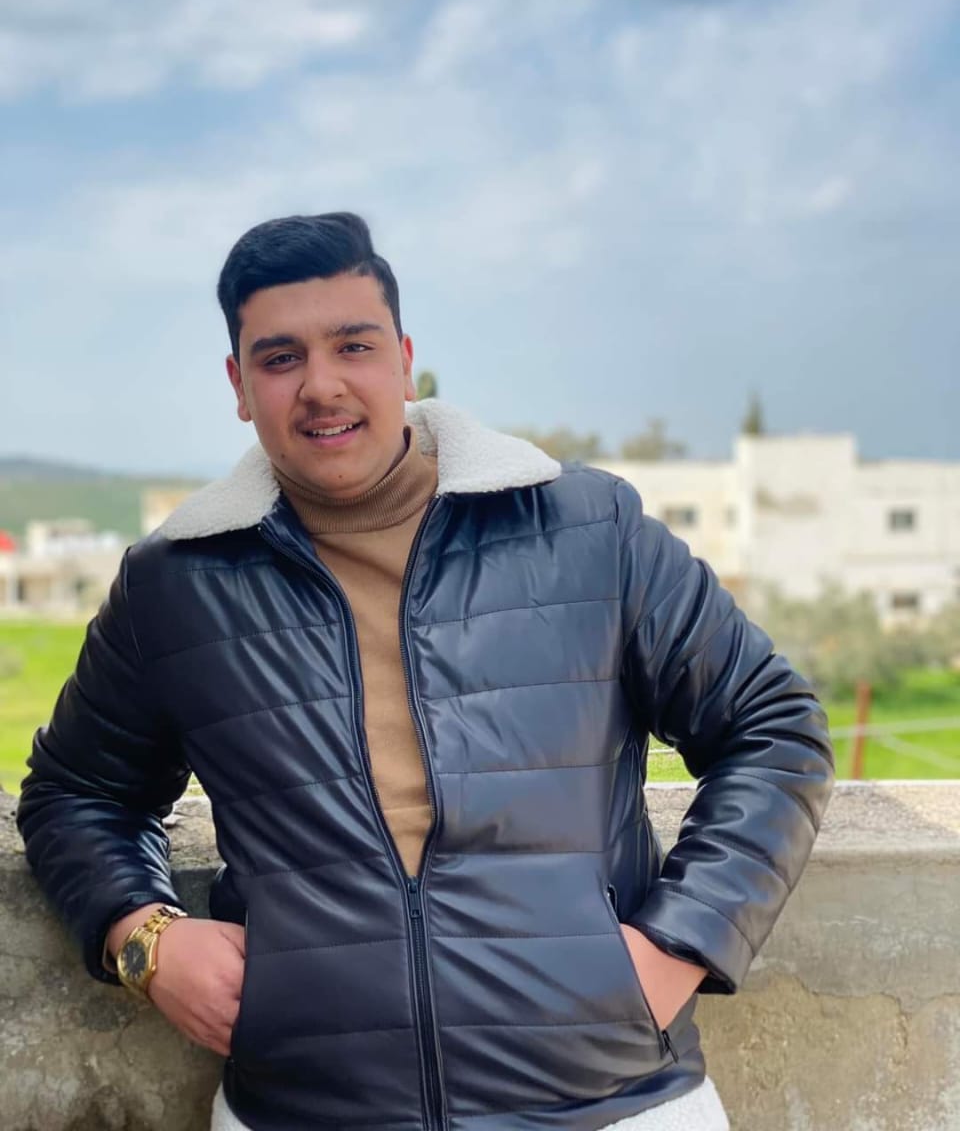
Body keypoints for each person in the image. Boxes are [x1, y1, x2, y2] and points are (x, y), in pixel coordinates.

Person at [17, 212, 834, 1131]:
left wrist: (678, 948)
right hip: (307, 1109)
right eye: (280, 358)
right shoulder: (176, 583)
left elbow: (774, 729)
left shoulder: (585, 529)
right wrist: (146, 940)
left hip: (614, 1102)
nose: (322, 385)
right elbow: (74, 793)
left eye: (353, 345)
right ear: (239, 387)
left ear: (404, 362)